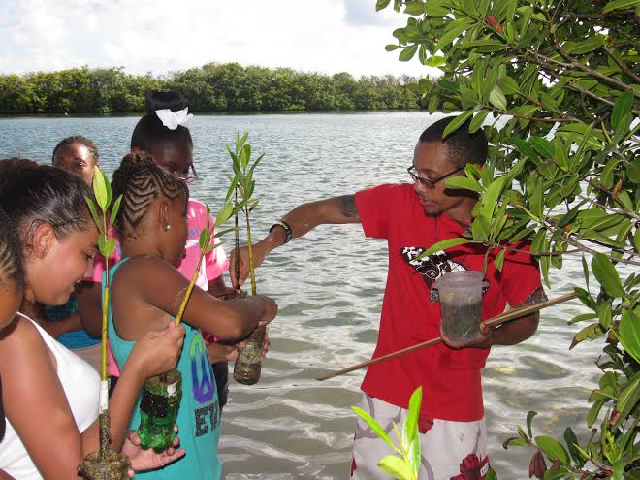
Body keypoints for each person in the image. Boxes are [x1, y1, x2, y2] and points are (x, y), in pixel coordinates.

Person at [231, 116, 544, 480]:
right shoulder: (399, 203)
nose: (419, 187)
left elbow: (529, 314)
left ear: (471, 174)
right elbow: (316, 213)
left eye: (430, 179)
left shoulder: (508, 234)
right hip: (385, 390)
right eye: (416, 173)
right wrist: (268, 243)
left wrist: (491, 336)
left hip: (454, 401)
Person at [0, 163, 187, 480]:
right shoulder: (15, 337)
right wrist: (136, 370)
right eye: (87, 254)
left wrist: (116, 461)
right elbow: (69, 474)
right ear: (44, 239)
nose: (89, 273)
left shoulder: (21, 330)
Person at [107, 152, 278, 479]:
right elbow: (227, 320)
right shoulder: (142, 271)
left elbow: (172, 354)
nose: (188, 229)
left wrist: (212, 353)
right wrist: (262, 305)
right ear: (164, 215)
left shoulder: (145, 278)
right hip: (163, 468)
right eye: (185, 216)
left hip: (194, 460)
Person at [45, 136, 102, 370]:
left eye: (78, 165)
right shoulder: (42, 223)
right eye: (59, 165)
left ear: (95, 172)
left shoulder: (107, 227)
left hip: (94, 347)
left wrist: (58, 328)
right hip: (47, 343)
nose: (67, 173)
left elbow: (109, 307)